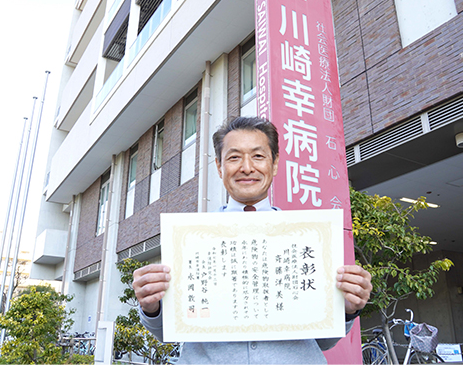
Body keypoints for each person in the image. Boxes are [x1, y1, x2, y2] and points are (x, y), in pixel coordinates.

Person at [133, 116, 373, 364]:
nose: (247, 167)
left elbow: (324, 341)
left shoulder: (309, 239)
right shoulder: (190, 240)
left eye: (258, 156)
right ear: (219, 167)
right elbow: (168, 332)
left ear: (274, 164)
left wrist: (347, 308)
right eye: (234, 157)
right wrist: (151, 306)